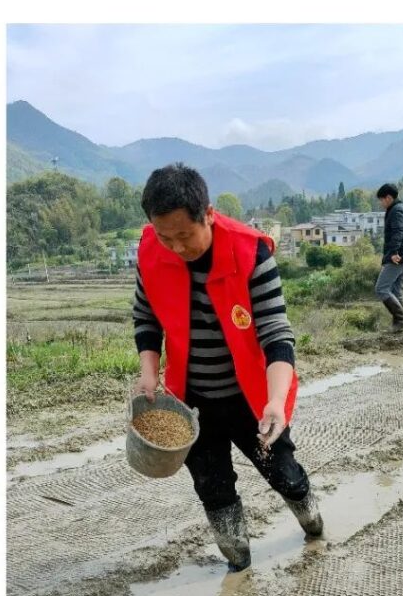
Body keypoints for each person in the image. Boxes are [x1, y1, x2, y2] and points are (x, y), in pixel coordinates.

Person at [133, 164, 323, 572]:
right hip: (191, 400)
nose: (177, 247)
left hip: (249, 396)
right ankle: (239, 565)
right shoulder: (149, 252)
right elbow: (145, 318)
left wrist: (274, 401)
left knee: (284, 473)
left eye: (185, 235)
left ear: (209, 214)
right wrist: (149, 371)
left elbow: (276, 335)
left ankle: (312, 522)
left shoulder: (250, 252)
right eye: (166, 236)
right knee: (213, 488)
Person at [375, 183, 403, 333]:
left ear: (388, 197)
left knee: (381, 288)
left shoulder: (396, 211)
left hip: (399, 256)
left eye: (382, 200)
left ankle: (400, 319)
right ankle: (400, 325)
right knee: (397, 290)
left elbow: (398, 232)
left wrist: (393, 253)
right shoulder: (399, 209)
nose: (381, 203)